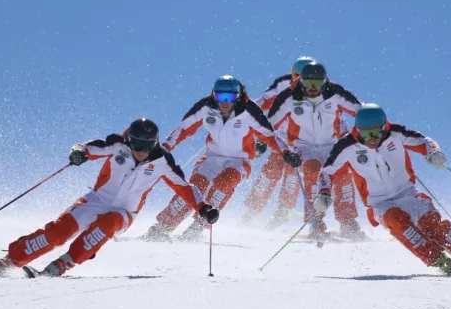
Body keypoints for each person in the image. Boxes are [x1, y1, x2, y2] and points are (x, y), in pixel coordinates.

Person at [0, 118, 219, 278]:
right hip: (96, 199)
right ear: (129, 140)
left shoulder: (162, 161)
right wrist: (79, 154)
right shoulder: (117, 144)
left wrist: (203, 208)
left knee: (107, 224)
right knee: (59, 231)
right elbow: (87, 147)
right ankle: (8, 261)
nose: (141, 152)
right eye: (137, 145)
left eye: (147, 146)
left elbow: (185, 188)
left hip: (125, 212)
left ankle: (63, 264)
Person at [313, 104, 451, 280]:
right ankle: (441, 262)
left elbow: (424, 141)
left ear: (384, 127)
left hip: (407, 194)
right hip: (379, 202)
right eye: (366, 134)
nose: (372, 139)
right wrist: (323, 193)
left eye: (376, 133)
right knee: (397, 220)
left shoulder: (396, 134)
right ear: (358, 130)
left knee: (432, 225)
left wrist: (434, 154)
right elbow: (327, 172)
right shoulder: (346, 146)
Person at [144, 76, 301, 242]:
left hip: (240, 160)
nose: (224, 102)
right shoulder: (206, 107)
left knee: (224, 183)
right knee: (196, 186)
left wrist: (286, 153)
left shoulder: (249, 111)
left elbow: (269, 135)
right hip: (213, 156)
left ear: (238, 96)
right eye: (220, 97)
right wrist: (166, 147)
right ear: (214, 95)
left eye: (229, 97)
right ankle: (162, 227)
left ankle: (197, 227)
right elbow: (183, 128)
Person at [266, 61, 364, 241]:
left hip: (331, 144)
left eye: (317, 85)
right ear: (300, 81)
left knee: (343, 173)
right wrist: (274, 148)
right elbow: (267, 127)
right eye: (307, 84)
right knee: (312, 170)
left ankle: (347, 222)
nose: (312, 89)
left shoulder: (335, 93)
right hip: (303, 146)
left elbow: (362, 112)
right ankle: (315, 221)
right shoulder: (289, 96)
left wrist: (373, 130)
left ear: (325, 82)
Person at [242, 57, 318, 225]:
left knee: (293, 174)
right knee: (270, 171)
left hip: (301, 140)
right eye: (296, 76)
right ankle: (252, 210)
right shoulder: (283, 84)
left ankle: (282, 212)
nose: (300, 81)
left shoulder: (320, 89)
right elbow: (264, 101)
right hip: (281, 135)